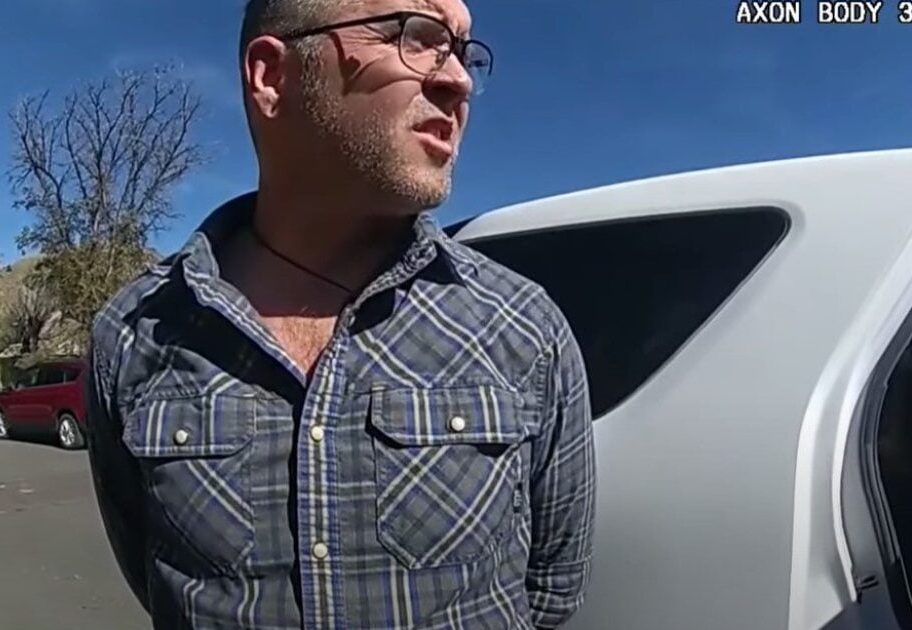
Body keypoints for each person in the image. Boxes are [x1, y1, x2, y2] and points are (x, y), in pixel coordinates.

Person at [84, 0, 597, 628]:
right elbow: (156, 580)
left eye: (464, 52)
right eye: (415, 35)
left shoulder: (524, 326)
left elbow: (550, 594)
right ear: (273, 76)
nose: (458, 80)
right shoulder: (133, 333)